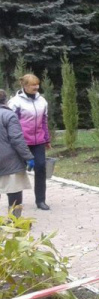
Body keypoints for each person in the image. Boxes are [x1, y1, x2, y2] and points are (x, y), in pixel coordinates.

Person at [8, 74, 51, 210]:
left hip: (38, 141)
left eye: (37, 84)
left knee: (41, 167)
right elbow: (10, 123)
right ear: (25, 86)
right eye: (33, 85)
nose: (36, 87)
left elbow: (44, 121)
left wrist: (46, 139)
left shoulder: (42, 101)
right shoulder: (15, 102)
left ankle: (40, 200)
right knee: (16, 171)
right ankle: (15, 203)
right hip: (21, 142)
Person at [0, 90, 35, 218]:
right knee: (14, 191)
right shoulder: (9, 115)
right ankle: (15, 220)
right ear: (5, 100)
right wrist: (29, 157)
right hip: (9, 161)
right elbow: (17, 139)